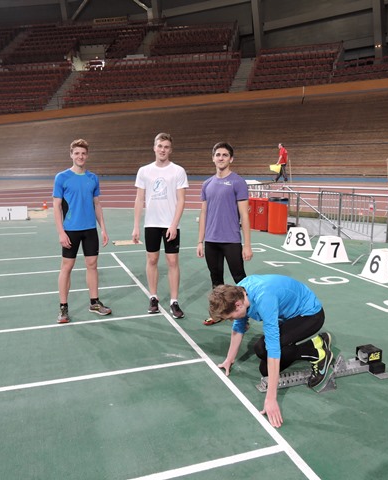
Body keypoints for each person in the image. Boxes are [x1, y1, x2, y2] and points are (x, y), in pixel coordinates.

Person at [208, 274, 333, 428]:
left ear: (238, 305)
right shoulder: (238, 292)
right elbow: (238, 328)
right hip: (289, 316)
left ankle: (318, 354)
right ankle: (317, 343)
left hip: (310, 315)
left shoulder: (264, 299)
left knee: (266, 356)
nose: (231, 320)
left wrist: (271, 399)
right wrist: (229, 360)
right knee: (262, 358)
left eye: (230, 317)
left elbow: (273, 350)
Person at [53, 138, 112, 324]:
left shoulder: (92, 178)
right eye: (77, 153)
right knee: (67, 267)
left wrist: (103, 229)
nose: (80, 156)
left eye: (83, 153)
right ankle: (63, 308)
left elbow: (97, 204)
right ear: (71, 154)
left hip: (90, 230)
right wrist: (61, 232)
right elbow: (56, 206)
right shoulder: (61, 177)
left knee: (92, 265)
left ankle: (94, 303)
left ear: (87, 156)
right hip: (70, 230)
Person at [132, 132, 189, 319]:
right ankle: (153, 297)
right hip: (151, 224)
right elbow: (139, 199)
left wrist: (174, 224)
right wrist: (136, 226)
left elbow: (181, 200)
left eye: (166, 147)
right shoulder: (144, 171)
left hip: (170, 224)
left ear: (170, 150)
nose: (163, 150)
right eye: (160, 146)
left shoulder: (178, 171)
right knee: (152, 260)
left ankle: (174, 301)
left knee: (172, 262)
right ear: (154, 148)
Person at [197, 141, 253, 326]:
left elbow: (244, 215)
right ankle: (218, 314)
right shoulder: (207, 184)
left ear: (231, 159)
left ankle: (245, 317)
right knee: (216, 281)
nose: (221, 158)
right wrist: (200, 241)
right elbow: (203, 213)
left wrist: (247, 245)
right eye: (218, 155)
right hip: (211, 241)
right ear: (213, 158)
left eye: (225, 155)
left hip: (231, 240)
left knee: (240, 280)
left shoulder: (238, 182)